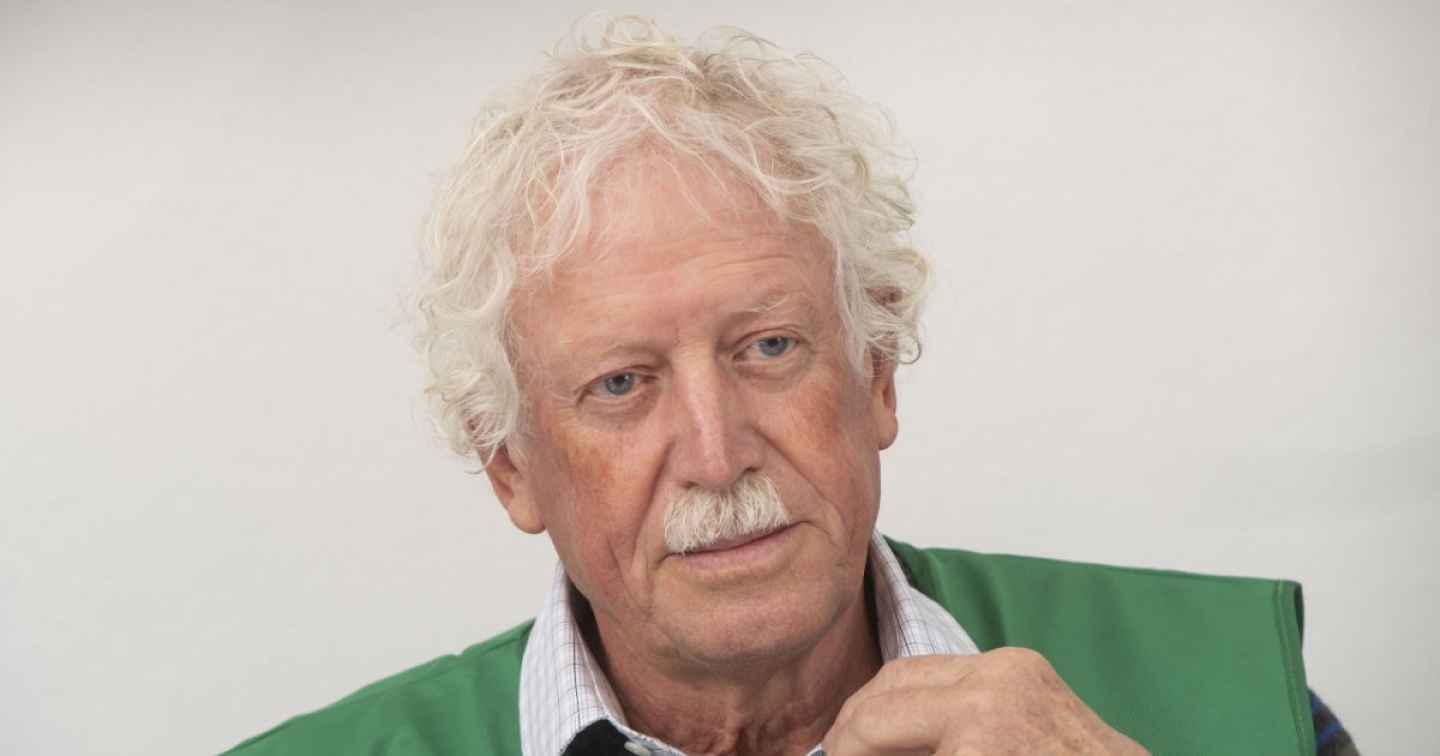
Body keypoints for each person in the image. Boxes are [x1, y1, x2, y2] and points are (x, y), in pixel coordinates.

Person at [225, 15, 1356, 756]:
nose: (717, 455)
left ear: (877, 373)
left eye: (767, 348)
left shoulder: (1224, 692)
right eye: (621, 384)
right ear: (510, 464)